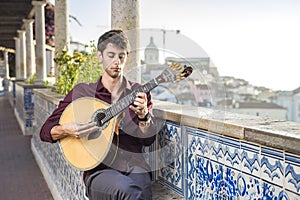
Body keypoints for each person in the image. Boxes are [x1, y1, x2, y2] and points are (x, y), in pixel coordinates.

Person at [40, 29, 157, 200]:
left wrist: (144, 116)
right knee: (129, 191)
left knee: (141, 191)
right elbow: (45, 131)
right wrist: (66, 129)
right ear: (100, 56)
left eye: (121, 56)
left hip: (135, 166)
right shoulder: (83, 92)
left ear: (127, 57)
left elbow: (148, 140)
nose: (116, 62)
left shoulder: (138, 92)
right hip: (99, 171)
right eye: (111, 55)